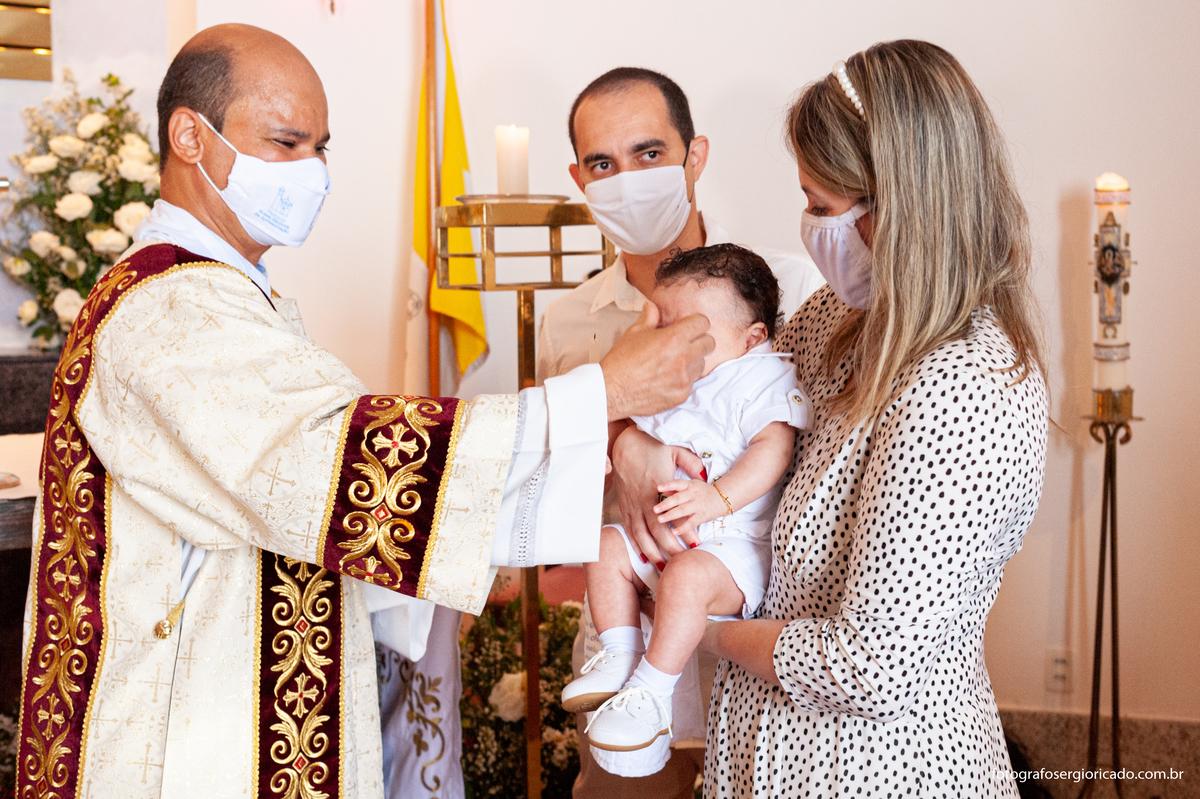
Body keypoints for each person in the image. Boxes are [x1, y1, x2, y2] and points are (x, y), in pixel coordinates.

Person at [15, 25, 713, 799]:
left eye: (320, 147)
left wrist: (502, 524)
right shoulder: (172, 307)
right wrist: (603, 394)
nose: (312, 171)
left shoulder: (224, 293)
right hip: (190, 741)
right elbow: (335, 460)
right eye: (286, 142)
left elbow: (303, 495)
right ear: (190, 136)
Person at [614, 40, 1048, 797]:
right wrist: (631, 445)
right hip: (761, 754)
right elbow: (719, 405)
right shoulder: (840, 321)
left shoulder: (963, 386)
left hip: (879, 770)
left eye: (821, 206)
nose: (808, 225)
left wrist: (695, 625)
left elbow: (866, 666)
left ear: (901, 206)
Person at [536, 67, 824, 798]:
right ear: (579, 179)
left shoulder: (791, 288)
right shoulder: (565, 321)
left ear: (695, 156)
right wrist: (622, 439)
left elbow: (818, 452)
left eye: (649, 153)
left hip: (750, 616)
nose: (628, 180)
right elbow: (557, 485)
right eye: (603, 164)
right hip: (627, 613)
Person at [561, 244, 808, 770]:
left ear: (752, 338)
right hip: (661, 539)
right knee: (604, 547)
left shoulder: (760, 376)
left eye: (689, 330)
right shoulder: (670, 380)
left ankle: (651, 691)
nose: (668, 343)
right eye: (663, 327)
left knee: (688, 577)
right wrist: (615, 443)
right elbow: (617, 426)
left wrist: (717, 497)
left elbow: (774, 449)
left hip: (730, 549)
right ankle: (621, 651)